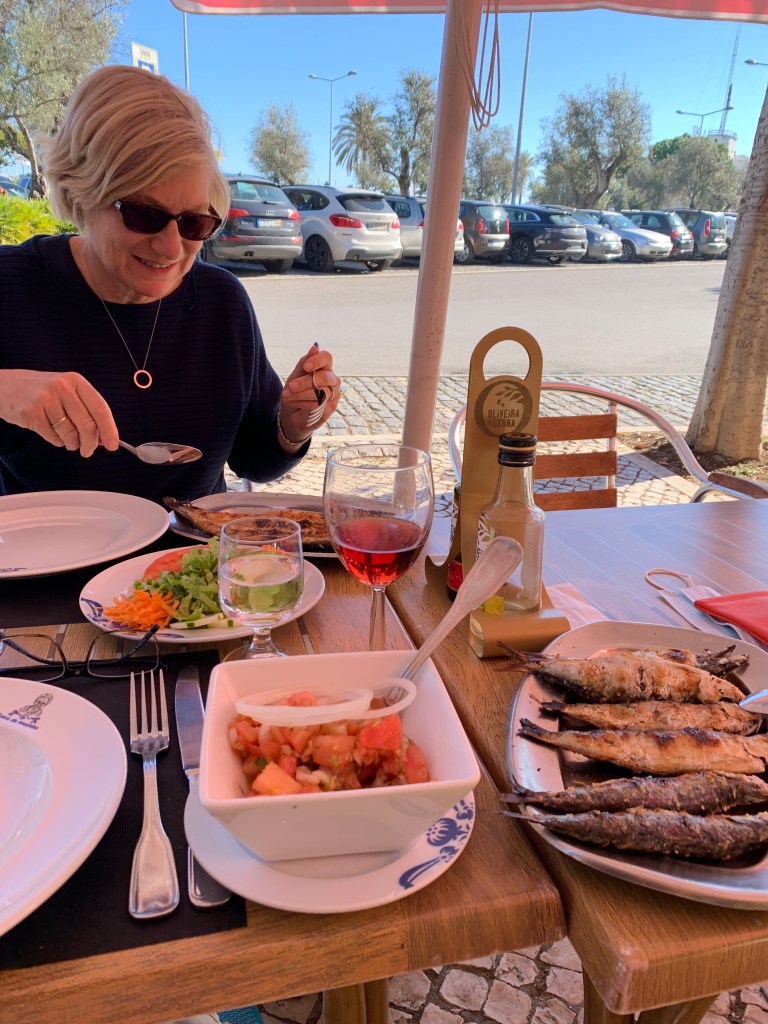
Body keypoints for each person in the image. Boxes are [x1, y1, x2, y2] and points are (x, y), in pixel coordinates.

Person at [0, 65, 340, 504]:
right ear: (81, 193)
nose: (171, 247)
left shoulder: (221, 302)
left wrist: (291, 426)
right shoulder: (12, 286)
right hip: (48, 549)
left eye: (194, 222)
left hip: (196, 549)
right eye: (144, 215)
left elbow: (254, 460)